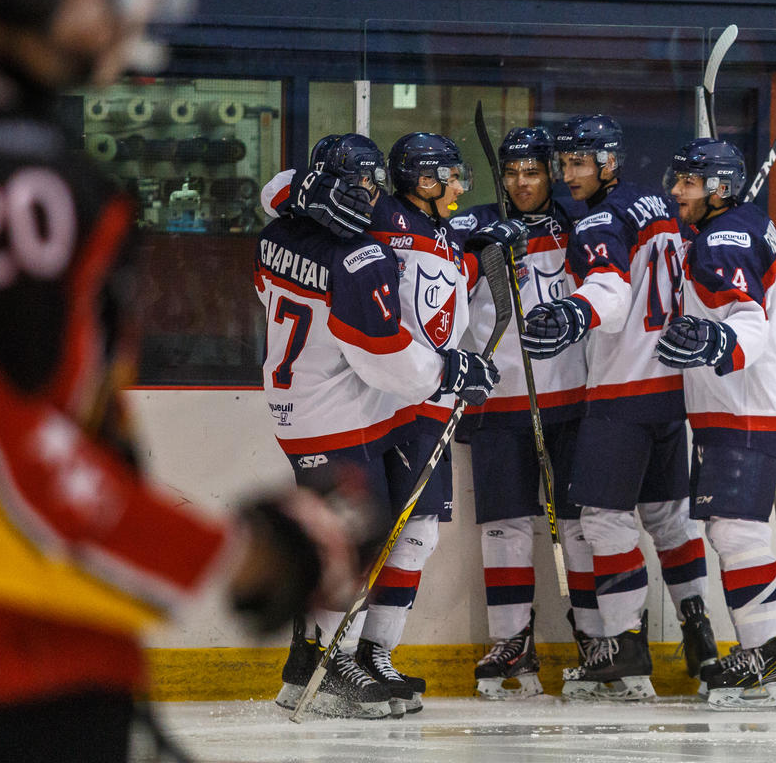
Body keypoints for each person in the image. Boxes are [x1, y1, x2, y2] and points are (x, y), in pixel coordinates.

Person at [0, 0, 377, 759]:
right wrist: (253, 555)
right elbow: (26, 472)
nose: (129, 13)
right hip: (11, 672)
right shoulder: (21, 181)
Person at [257, 133, 501, 718]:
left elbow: (276, 195)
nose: (370, 196)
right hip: (339, 412)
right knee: (346, 541)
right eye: (361, 186)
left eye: (373, 184)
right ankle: (326, 662)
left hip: (331, 406)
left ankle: (340, 659)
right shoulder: (356, 258)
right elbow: (385, 353)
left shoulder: (276, 234)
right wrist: (450, 369)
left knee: (389, 534)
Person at [520, 115, 717, 700]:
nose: (567, 175)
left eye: (579, 163)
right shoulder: (663, 209)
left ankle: (626, 647)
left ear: (609, 163)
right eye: (564, 164)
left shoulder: (600, 221)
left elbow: (609, 288)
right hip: (672, 391)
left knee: (604, 520)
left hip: (621, 391)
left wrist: (573, 313)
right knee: (667, 518)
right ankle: (698, 630)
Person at [656, 138, 776, 711]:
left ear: (719, 187)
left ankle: (766, 661)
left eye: (689, 183)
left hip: (745, 405)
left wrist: (719, 338)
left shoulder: (724, 237)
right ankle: (764, 655)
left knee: (736, 534)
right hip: (744, 403)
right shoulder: (744, 228)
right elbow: (770, 303)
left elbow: (745, 322)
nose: (676, 191)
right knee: (731, 531)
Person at [450, 126, 595, 699]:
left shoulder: (580, 225)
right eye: (511, 173)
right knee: (504, 529)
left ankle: (596, 638)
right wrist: (484, 234)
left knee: (583, 526)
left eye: (532, 171)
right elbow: (438, 239)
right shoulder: (475, 225)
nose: (520, 182)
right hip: (496, 401)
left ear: (550, 174)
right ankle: (513, 643)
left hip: (572, 401)